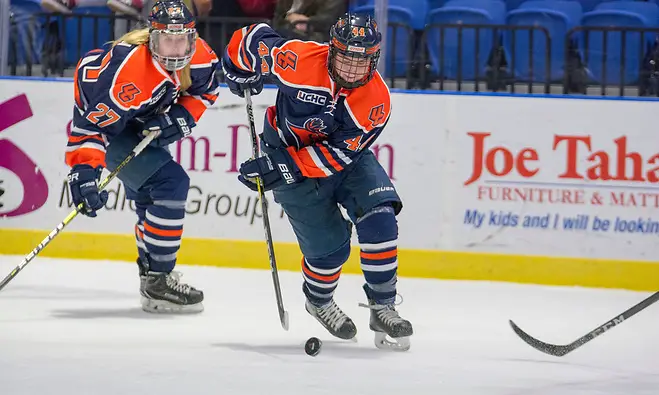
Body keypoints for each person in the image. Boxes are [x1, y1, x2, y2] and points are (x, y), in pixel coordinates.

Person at [221, 13, 414, 350]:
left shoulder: (376, 100)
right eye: (347, 58)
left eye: (363, 60)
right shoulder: (297, 59)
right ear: (331, 50)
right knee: (330, 250)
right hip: (285, 147)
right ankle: (319, 300)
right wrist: (238, 69)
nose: (354, 69)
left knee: (379, 215)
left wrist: (281, 168)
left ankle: (382, 306)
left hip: (343, 159)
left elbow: (338, 157)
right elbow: (251, 37)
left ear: (375, 58)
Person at [64, 0, 219, 314]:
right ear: (153, 37)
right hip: (114, 128)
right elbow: (92, 128)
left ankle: (152, 279)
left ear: (192, 36)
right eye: (167, 40)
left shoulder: (200, 55)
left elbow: (207, 91)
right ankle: (159, 280)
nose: (176, 49)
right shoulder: (128, 75)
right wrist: (84, 172)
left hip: (141, 121)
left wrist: (181, 117)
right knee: (171, 184)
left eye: (182, 39)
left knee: (151, 196)